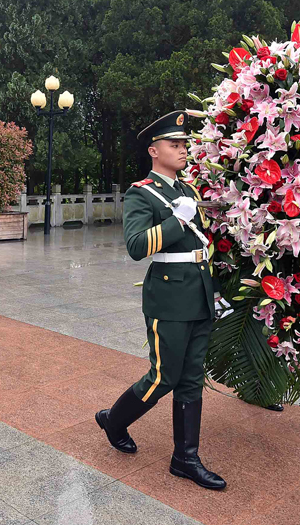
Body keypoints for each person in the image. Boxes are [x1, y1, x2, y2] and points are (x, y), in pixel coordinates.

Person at [96, 111, 226, 490]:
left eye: (184, 144)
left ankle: (185, 458)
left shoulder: (189, 191)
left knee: (192, 377)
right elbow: (136, 246)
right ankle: (115, 421)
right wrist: (177, 220)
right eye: (175, 144)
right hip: (168, 296)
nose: (183, 150)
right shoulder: (141, 193)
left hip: (198, 292)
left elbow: (203, 245)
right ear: (154, 151)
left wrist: (216, 291)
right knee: (163, 376)